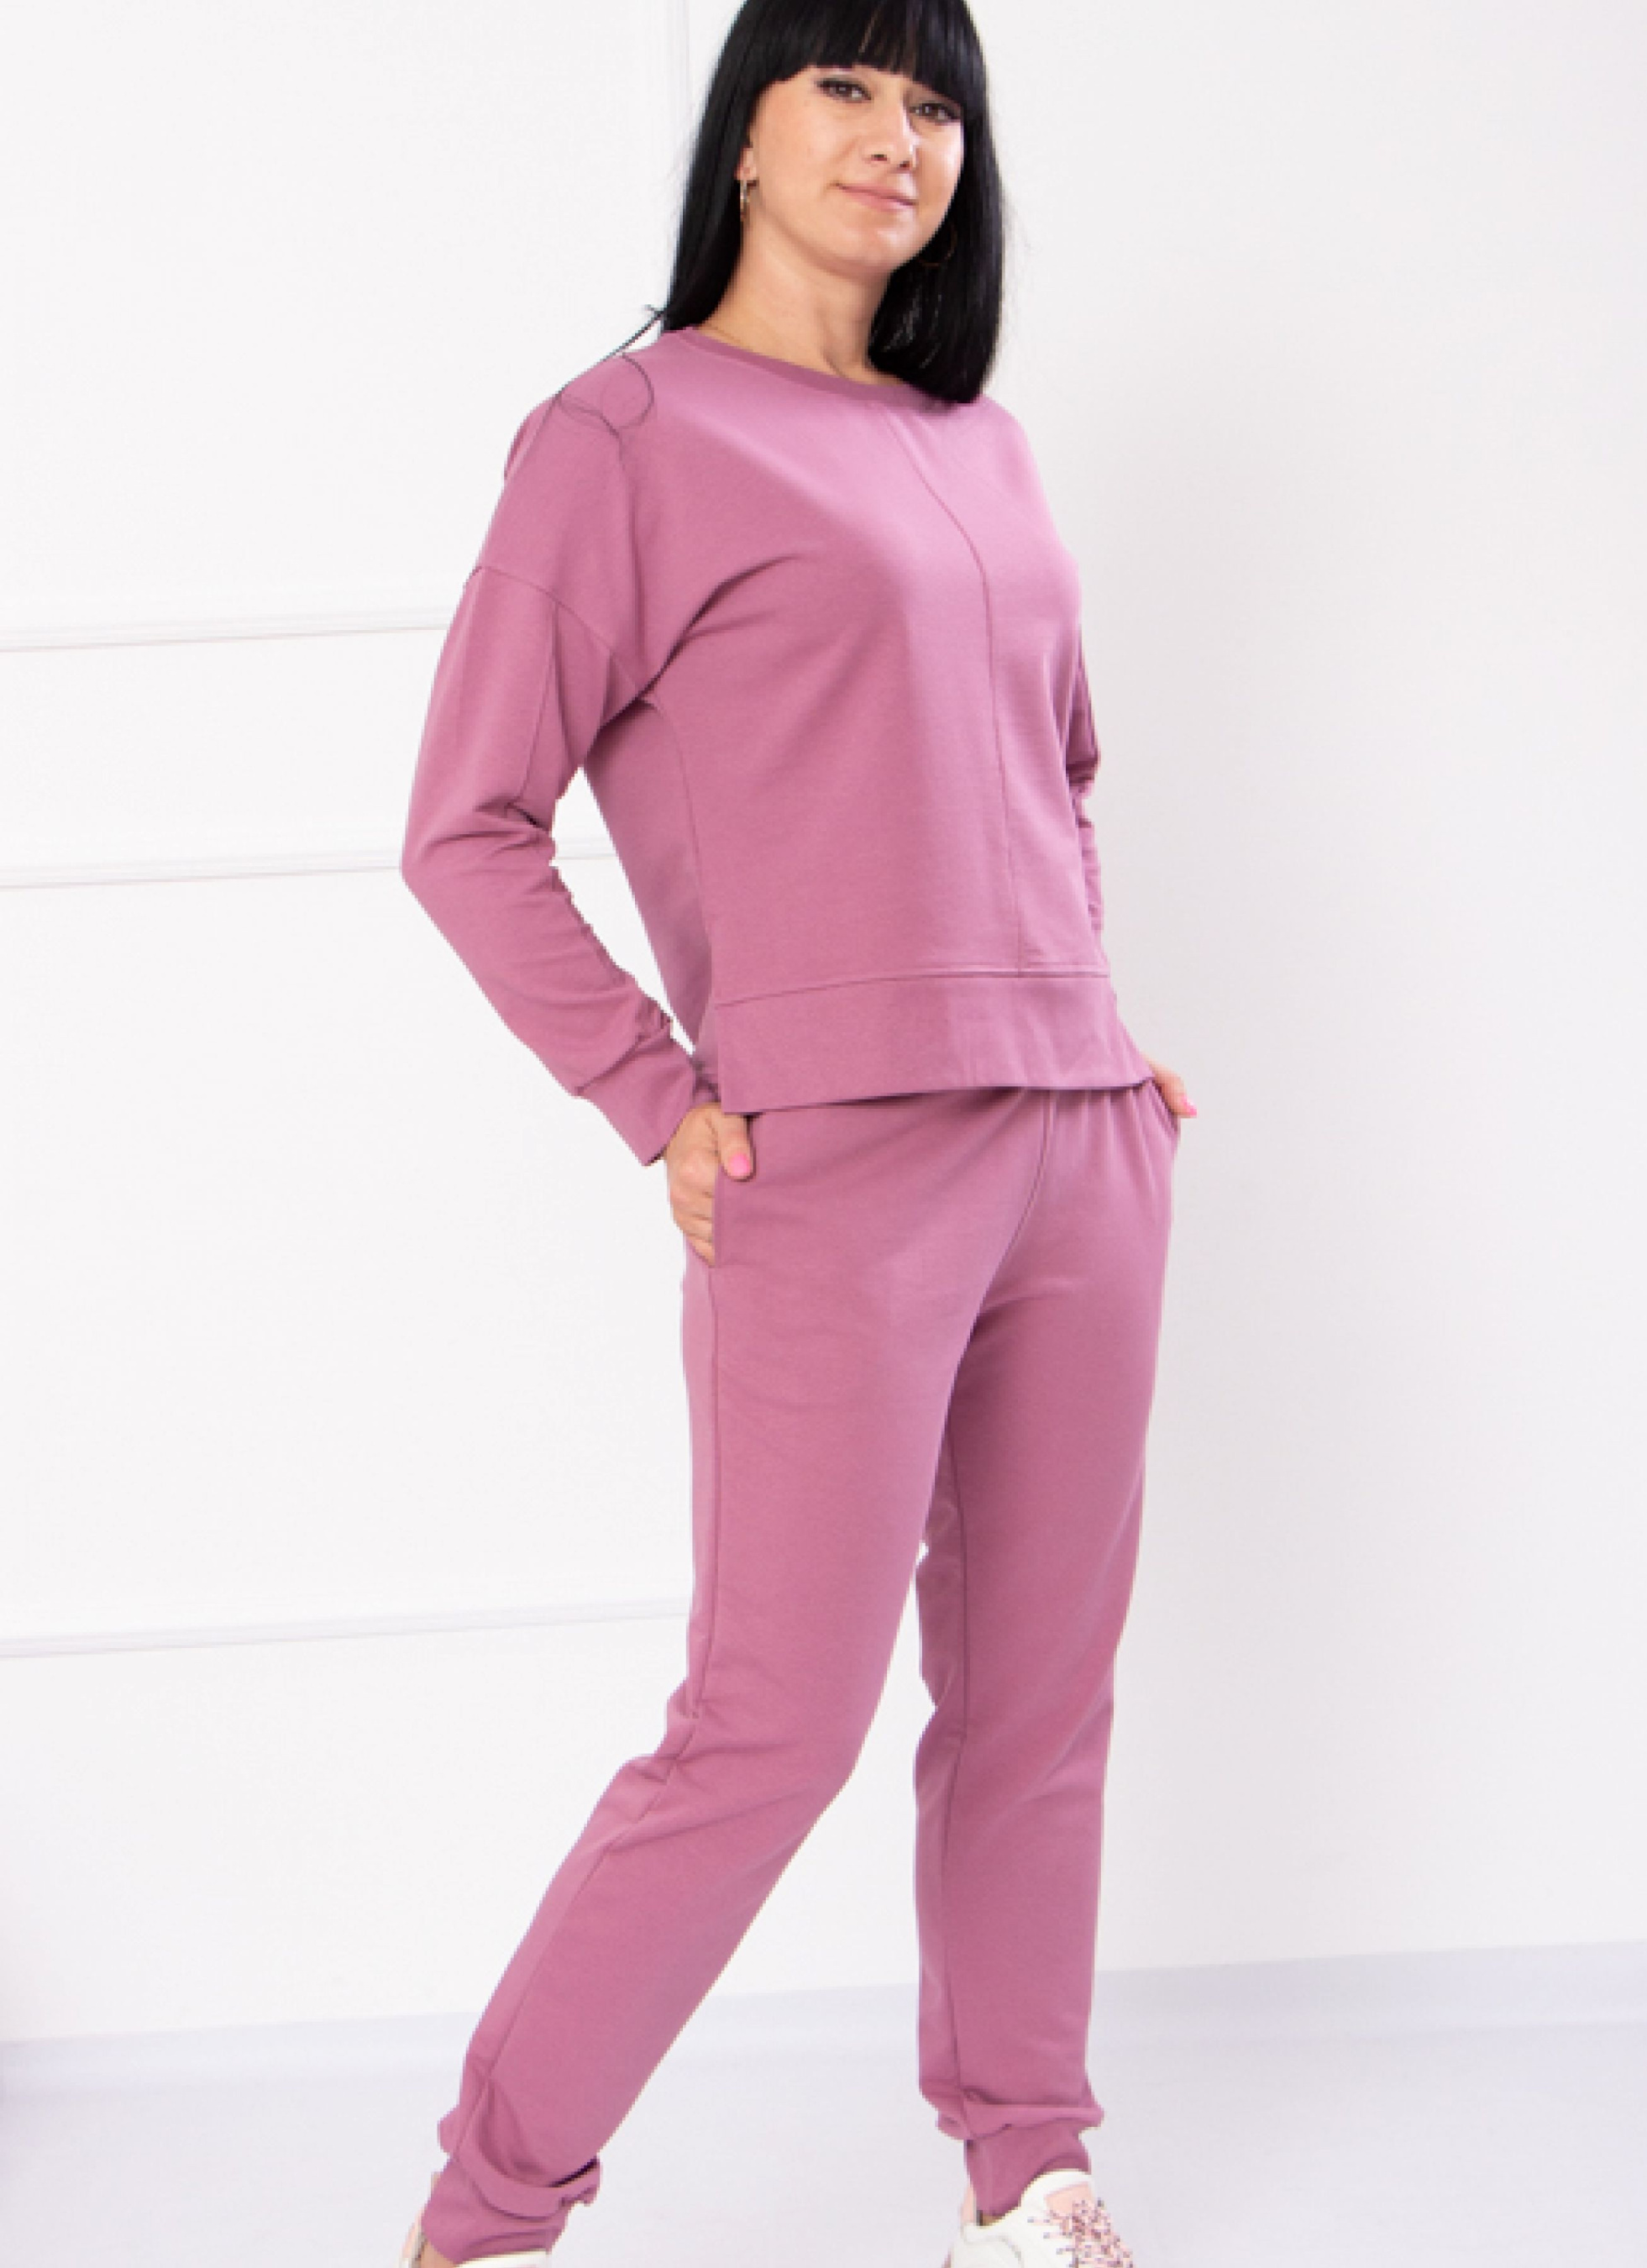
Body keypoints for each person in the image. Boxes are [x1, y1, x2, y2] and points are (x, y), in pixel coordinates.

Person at [394, 3, 1193, 2262]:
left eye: (936, 102)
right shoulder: (622, 436)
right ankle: (485, 2211)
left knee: (1035, 1702)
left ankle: (1027, 2171)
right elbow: (463, 826)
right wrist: (653, 1091)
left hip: (1082, 1146)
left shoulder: (981, 444)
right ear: (741, 133)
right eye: (845, 82)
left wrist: (1098, 1022)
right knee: (773, 1721)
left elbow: (1053, 775)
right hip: (828, 1165)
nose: (896, 135)